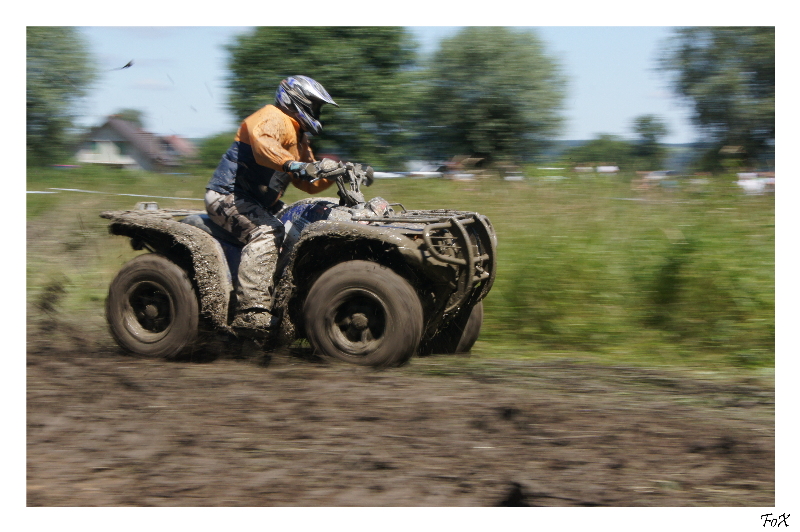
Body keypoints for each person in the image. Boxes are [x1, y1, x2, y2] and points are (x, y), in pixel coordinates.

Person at [205, 75, 340, 331]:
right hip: (227, 196)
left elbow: (307, 183)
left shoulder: (299, 136)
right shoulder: (272, 117)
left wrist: (332, 173)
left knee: (304, 222)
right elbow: (264, 144)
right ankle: (251, 312)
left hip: (258, 202)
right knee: (267, 232)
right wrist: (293, 163)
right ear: (296, 100)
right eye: (315, 106)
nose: (317, 112)